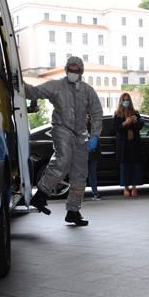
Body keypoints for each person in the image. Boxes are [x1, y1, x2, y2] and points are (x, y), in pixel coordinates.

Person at [25, 56, 102, 226]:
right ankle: (41, 195)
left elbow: (97, 112)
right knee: (63, 159)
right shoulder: (56, 86)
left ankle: (73, 211)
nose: (73, 73)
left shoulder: (88, 91)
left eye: (76, 70)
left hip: (81, 135)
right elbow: (34, 92)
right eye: (70, 70)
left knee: (80, 174)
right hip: (62, 129)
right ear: (66, 70)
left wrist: (95, 135)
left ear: (80, 72)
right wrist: (19, 84)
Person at [114, 93, 144, 197]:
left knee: (135, 165)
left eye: (127, 100)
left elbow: (141, 125)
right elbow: (116, 129)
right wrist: (125, 123)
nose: (126, 101)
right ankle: (126, 188)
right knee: (125, 167)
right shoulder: (117, 114)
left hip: (134, 144)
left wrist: (135, 121)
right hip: (123, 145)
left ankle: (134, 187)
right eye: (124, 100)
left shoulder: (135, 113)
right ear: (121, 101)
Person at [87, 114, 101, 200]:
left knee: (92, 174)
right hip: (82, 154)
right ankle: (78, 195)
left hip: (93, 153)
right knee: (81, 176)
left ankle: (95, 193)